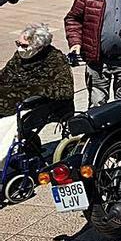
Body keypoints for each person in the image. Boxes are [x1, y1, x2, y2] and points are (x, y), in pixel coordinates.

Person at [0, 24, 73, 155]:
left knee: (6, 124)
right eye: (18, 43)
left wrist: (33, 90)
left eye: (24, 46)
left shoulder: (55, 59)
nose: (20, 48)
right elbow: (5, 75)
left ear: (38, 47)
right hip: (12, 99)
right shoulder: (19, 57)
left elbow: (65, 90)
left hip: (39, 105)